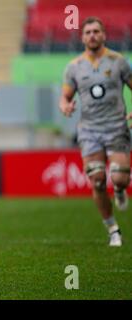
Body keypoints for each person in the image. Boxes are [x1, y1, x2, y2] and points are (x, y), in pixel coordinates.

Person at [59, 17, 132, 247]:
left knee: (119, 177)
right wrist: (65, 106)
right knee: (98, 181)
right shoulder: (74, 66)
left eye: (96, 31)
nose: (92, 35)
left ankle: (120, 189)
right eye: (88, 32)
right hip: (89, 130)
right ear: (82, 37)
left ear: (104, 35)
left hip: (116, 126)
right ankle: (113, 229)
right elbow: (65, 96)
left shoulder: (118, 61)